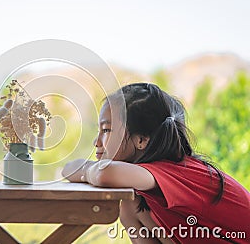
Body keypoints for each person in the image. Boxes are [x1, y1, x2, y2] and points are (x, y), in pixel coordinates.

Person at [62, 83, 250, 243]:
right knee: (131, 206)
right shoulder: (147, 184)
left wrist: (87, 170)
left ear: (142, 140)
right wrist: (86, 170)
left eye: (106, 130)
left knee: (132, 205)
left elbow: (104, 174)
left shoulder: (172, 171)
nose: (97, 142)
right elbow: (67, 170)